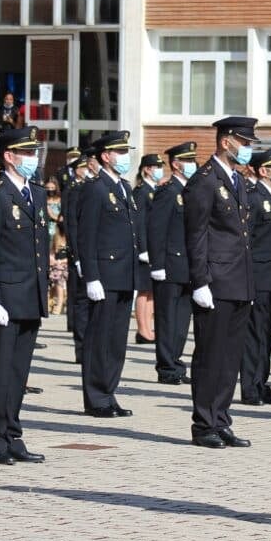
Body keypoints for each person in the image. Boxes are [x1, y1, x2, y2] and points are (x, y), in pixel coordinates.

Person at [0, 126, 49, 464]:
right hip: (5, 298)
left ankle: (12, 434)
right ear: (9, 156)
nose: (33, 159)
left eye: (35, 153)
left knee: (18, 373)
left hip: (29, 296)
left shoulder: (36, 193)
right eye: (27, 153)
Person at [184, 117, 257, 448]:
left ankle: (221, 418)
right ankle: (203, 424)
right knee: (211, 355)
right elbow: (196, 233)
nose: (248, 149)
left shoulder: (236, 180)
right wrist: (200, 281)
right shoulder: (205, 181)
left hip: (238, 280)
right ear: (226, 141)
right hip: (215, 281)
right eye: (244, 142)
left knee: (230, 357)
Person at [78, 131, 142, 418]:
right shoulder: (96, 188)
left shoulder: (124, 187)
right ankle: (95, 397)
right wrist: (91, 276)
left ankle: (109, 392)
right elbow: (86, 235)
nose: (125, 157)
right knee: (100, 340)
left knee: (116, 341)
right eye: (120, 152)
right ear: (106, 156)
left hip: (124, 275)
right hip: (104, 275)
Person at [240, 147, 271, 406]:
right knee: (255, 335)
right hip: (260, 278)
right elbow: (245, 240)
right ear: (263, 170)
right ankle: (250, 387)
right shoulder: (253, 197)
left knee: (269, 336)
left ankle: (262, 383)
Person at [148, 143, 197, 385]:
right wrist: (157, 264)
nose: (193, 164)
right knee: (167, 320)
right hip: (169, 265)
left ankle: (176, 364)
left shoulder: (190, 191)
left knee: (180, 322)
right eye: (188, 160)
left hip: (187, 266)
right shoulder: (168, 192)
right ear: (176, 164)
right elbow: (156, 229)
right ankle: (166, 368)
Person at [63, 149, 96, 364]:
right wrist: (76, 256)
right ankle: (81, 349)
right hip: (80, 255)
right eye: (83, 167)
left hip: (92, 254)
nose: (87, 170)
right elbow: (72, 225)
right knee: (81, 302)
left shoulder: (90, 188)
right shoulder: (75, 190)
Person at [132, 154, 163, 344]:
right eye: (155, 167)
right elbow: (139, 223)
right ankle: (142, 330)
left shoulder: (154, 190)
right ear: (146, 169)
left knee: (152, 290)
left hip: (154, 248)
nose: (159, 170)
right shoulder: (141, 191)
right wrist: (142, 248)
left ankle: (148, 328)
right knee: (143, 291)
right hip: (145, 251)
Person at [49, 226, 68, 315]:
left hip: (68, 265)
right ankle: (58, 302)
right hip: (57, 267)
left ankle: (60, 303)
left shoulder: (70, 238)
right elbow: (52, 255)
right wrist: (54, 261)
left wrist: (63, 261)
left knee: (60, 275)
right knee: (58, 274)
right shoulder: (56, 238)